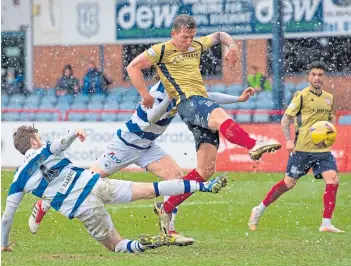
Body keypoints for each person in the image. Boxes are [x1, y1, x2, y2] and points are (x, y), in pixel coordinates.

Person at [29, 77, 256, 245]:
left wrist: (237, 99)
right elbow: (151, 118)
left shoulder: (181, 86)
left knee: (175, 177)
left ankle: (170, 230)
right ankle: (44, 203)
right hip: (126, 143)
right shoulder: (159, 90)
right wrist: (170, 96)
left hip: (147, 145)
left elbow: (206, 97)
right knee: (88, 180)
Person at [126, 14, 281, 235]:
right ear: (173, 34)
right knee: (219, 116)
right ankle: (252, 145)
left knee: (205, 171)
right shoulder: (161, 50)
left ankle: (166, 207)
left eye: (191, 36)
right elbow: (133, 66)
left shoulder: (197, 45)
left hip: (200, 101)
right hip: (188, 103)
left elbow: (219, 35)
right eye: (183, 37)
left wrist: (232, 47)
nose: (187, 41)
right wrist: (144, 94)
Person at [1, 125, 228, 253]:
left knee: (116, 245)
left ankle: (143, 244)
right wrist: (74, 133)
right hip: (97, 185)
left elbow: (6, 218)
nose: (41, 140)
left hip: (84, 208)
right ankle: (204, 185)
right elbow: (60, 143)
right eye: (39, 137)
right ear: (33, 142)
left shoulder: (18, 180)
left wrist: (3, 244)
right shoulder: (45, 151)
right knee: (154, 188)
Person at [248, 61, 344, 233]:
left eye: (320, 75)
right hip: (302, 150)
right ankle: (258, 209)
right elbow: (285, 119)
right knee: (289, 183)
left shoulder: (329, 98)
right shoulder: (301, 96)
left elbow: (332, 119)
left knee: (333, 180)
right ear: (308, 76)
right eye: (313, 74)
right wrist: (289, 140)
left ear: (324, 77)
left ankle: (326, 223)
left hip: (322, 151)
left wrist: (329, 135)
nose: (317, 78)